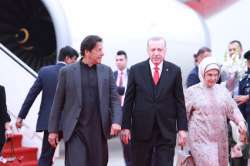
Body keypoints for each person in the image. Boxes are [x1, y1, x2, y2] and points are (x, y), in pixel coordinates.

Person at [48, 35, 122, 166]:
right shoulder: (67, 72)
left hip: (99, 132)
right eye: (99, 50)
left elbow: (115, 100)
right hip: (76, 131)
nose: (102, 53)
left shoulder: (106, 71)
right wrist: (53, 130)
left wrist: (116, 121)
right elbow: (58, 102)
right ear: (87, 52)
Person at [121, 36, 188, 166]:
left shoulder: (174, 71)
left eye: (159, 49)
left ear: (165, 51)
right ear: (148, 50)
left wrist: (182, 128)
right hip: (141, 128)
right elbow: (129, 100)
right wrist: (125, 126)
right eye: (153, 49)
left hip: (166, 129)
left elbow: (179, 102)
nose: (156, 53)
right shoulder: (136, 70)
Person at [15, 46, 79, 166]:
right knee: (74, 157)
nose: (75, 63)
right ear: (68, 59)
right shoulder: (74, 73)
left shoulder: (45, 71)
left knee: (46, 157)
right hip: (71, 122)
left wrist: (20, 117)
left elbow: (31, 95)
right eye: (75, 59)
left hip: (50, 123)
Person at [185, 56, 247, 166]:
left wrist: (240, 122)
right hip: (200, 140)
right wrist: (182, 134)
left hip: (220, 140)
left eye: (215, 75)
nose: (213, 78)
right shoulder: (192, 92)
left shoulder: (222, 91)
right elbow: (183, 114)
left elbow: (232, 109)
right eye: (209, 75)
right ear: (202, 73)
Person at [113, 50, 132, 166]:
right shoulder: (112, 75)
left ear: (126, 60)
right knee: (125, 143)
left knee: (132, 143)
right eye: (117, 60)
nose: (119, 62)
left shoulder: (132, 74)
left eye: (121, 60)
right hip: (118, 114)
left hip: (131, 113)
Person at [0, 85, 11, 164]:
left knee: (1, 139)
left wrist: (6, 121)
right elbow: (3, 107)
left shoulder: (1, 89)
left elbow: (3, 107)